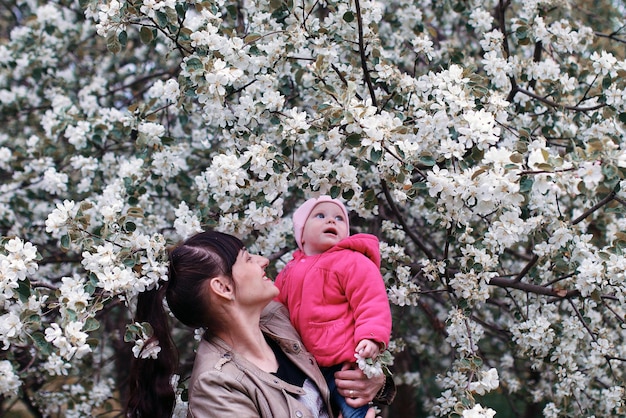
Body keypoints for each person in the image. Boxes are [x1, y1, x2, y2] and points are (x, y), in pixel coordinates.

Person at [126, 230, 394, 418]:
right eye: (248, 258)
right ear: (222, 287)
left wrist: (374, 380)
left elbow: (337, 349)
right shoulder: (216, 387)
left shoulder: (280, 319)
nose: (263, 261)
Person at [274, 196, 393, 418]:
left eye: (339, 218)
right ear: (301, 232)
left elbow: (371, 300)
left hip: (342, 364)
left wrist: (371, 337)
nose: (332, 220)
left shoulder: (351, 261)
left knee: (353, 408)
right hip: (304, 366)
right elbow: (274, 311)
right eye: (321, 215)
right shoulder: (288, 272)